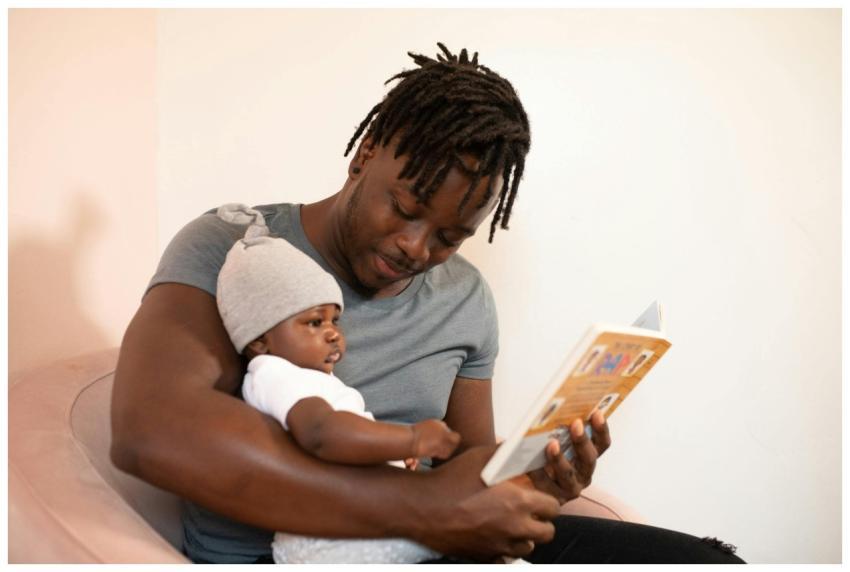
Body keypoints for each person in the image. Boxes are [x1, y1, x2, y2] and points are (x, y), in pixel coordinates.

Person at [111, 43, 744, 563]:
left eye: (449, 236)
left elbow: (469, 461)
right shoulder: (237, 247)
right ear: (364, 156)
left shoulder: (466, 298)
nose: (416, 248)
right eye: (407, 209)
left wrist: (539, 476)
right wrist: (424, 508)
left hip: (423, 546)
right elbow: (150, 429)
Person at [215, 202, 458, 563]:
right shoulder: (274, 374)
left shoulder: (310, 379)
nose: (333, 334)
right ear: (258, 340)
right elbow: (321, 433)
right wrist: (410, 438)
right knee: (463, 530)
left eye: (335, 321)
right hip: (325, 541)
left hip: (343, 528)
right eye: (315, 322)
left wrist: (393, 454)